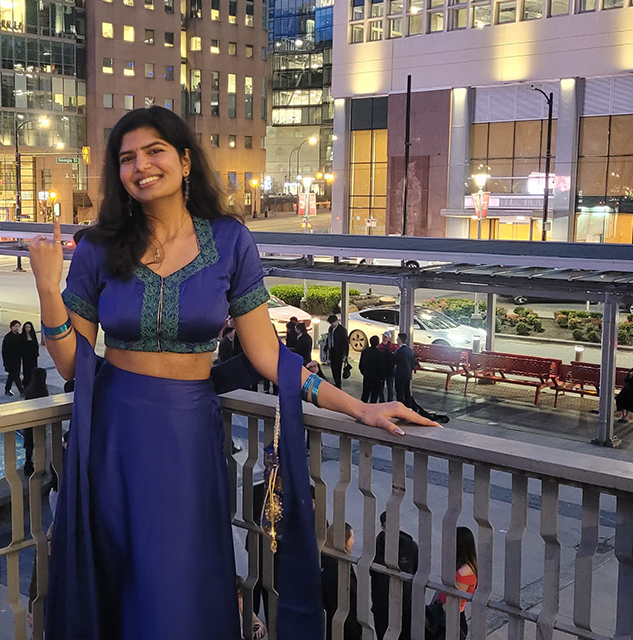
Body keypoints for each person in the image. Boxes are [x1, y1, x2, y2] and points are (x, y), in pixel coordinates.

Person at [27, 106, 437, 638]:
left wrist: (358, 405)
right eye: (127, 158)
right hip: (113, 436)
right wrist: (46, 287)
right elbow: (70, 362)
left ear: (185, 160)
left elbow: (268, 355)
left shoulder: (229, 241)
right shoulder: (100, 247)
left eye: (154, 152)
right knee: (119, 573)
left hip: (189, 437)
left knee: (180, 581)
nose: (141, 166)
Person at [371, 511, 419, 640]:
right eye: (388, 525)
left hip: (404, 604)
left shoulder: (410, 547)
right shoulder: (375, 547)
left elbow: (418, 573)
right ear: (382, 527)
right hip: (382, 604)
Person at [434, 527, 478, 637]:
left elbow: (454, 602)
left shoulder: (464, 572)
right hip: (445, 615)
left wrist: (432, 615)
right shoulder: (461, 565)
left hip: (450, 618)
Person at [320, 522, 360, 640]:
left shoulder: (328, 560)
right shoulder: (337, 570)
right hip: (344, 629)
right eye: (351, 538)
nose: (353, 541)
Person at [22, 367, 50, 475]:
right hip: (39, 421)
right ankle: (39, 467)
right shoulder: (42, 390)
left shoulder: (29, 389)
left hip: (29, 421)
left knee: (29, 446)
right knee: (40, 444)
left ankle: (28, 465)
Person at [358, 335, 385, 403]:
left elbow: (361, 365)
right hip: (376, 378)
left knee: (365, 394)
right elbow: (381, 368)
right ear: (378, 343)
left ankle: (362, 409)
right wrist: (381, 377)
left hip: (367, 376)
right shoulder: (380, 354)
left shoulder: (365, 352)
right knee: (374, 396)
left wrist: (364, 373)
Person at [1, 320, 24, 397]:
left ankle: (7, 389)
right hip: (10, 360)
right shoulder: (8, 337)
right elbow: (4, 351)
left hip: (17, 359)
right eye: (15, 326)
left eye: (18, 326)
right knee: (16, 376)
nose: (17, 328)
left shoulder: (19, 336)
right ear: (11, 327)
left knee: (12, 375)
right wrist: (5, 363)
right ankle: (22, 391)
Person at [327, 314, 349, 389]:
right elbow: (329, 338)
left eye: (333, 323)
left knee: (338, 368)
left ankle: (338, 383)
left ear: (336, 321)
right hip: (332, 350)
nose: (332, 325)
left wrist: (346, 354)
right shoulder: (330, 329)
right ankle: (336, 381)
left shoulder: (342, 330)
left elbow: (346, 343)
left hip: (339, 352)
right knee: (333, 367)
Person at [393, 332, 415, 406]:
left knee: (399, 392)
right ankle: (408, 406)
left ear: (400, 340)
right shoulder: (410, 351)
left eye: (397, 338)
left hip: (400, 375)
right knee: (407, 391)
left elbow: (394, 361)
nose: (396, 340)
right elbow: (413, 363)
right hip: (407, 375)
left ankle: (400, 407)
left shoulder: (399, 351)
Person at [377, 331, 398, 403]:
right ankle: (382, 401)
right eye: (383, 336)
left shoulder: (392, 347)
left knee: (390, 387)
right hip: (382, 370)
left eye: (385, 337)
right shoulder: (380, 346)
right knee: (381, 387)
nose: (383, 338)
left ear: (389, 338)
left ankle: (390, 401)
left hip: (389, 370)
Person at [21, 321, 39, 387]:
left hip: (33, 358)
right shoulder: (22, 336)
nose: (27, 329)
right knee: (26, 371)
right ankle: (26, 384)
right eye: (26, 327)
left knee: (33, 370)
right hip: (26, 358)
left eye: (29, 327)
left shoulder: (33, 336)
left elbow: (36, 345)